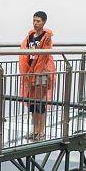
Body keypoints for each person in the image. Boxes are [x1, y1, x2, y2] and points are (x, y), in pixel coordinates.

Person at [19, 11, 55, 141]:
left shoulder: (47, 37)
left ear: (44, 22)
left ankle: (41, 131)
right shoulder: (30, 36)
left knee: (40, 103)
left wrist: (37, 71)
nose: (35, 23)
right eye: (34, 20)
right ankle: (35, 130)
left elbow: (44, 56)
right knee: (33, 103)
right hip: (30, 72)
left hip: (42, 73)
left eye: (38, 21)